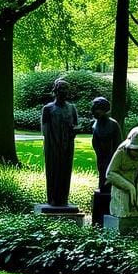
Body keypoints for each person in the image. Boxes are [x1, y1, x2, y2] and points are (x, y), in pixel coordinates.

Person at [40, 79, 78, 208]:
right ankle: (52, 199)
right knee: (53, 172)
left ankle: (63, 200)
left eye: (66, 89)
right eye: (61, 89)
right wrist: (54, 144)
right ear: (55, 91)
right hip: (52, 147)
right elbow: (44, 130)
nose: (64, 92)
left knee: (65, 172)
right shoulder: (48, 109)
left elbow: (75, 126)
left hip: (67, 146)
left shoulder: (72, 108)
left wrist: (73, 131)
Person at [106, 126, 138, 217]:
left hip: (136, 189)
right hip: (121, 189)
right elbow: (110, 174)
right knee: (123, 212)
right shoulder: (121, 152)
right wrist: (129, 187)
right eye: (137, 150)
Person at [90, 97, 121, 192]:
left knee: (109, 174)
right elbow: (95, 142)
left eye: (97, 109)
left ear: (104, 110)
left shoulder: (113, 124)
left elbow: (118, 144)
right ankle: (103, 187)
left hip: (111, 156)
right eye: (94, 110)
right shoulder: (95, 125)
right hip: (101, 156)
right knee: (102, 173)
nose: (94, 112)